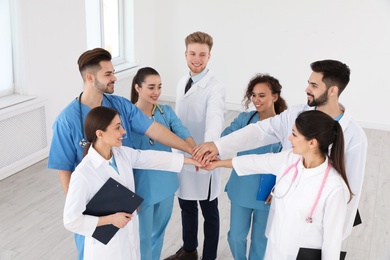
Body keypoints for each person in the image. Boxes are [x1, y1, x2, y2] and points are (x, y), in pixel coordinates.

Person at [193, 59, 368, 240]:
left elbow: (350, 190)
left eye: (314, 85)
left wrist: (336, 236)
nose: (307, 89)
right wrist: (217, 145)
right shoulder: (296, 114)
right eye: (308, 83)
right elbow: (260, 131)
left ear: (333, 91)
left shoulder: (355, 136)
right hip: (282, 215)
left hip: (315, 226)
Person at [48, 48, 195, 260]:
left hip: (124, 199)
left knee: (132, 248)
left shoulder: (119, 105)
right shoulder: (66, 121)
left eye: (113, 72)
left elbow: (153, 131)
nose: (114, 78)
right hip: (94, 207)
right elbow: (64, 170)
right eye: (108, 74)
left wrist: (191, 151)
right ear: (90, 77)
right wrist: (84, 212)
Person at [203, 110, 353, 260]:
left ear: (312, 142)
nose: (289, 138)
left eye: (294, 134)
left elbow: (332, 244)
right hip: (275, 251)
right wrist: (219, 163)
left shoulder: (334, 188)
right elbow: (256, 162)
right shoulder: (290, 159)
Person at [63, 106, 201, 260]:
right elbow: (71, 221)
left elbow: (152, 159)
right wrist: (111, 219)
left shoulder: (122, 154)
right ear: (100, 134)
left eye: (121, 125)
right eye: (117, 127)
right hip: (105, 250)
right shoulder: (83, 174)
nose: (123, 131)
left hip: (128, 239)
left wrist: (190, 160)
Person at [164, 31, 226, 260]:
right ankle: (189, 249)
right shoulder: (182, 81)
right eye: (192, 53)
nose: (196, 58)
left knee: (209, 211)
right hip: (183, 155)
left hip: (204, 158)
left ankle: (209, 256)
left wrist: (209, 146)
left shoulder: (216, 87)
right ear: (185, 54)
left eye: (202, 54)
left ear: (209, 56)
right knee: (186, 206)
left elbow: (215, 118)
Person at [130, 67, 196, 260]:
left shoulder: (165, 112)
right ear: (137, 88)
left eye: (159, 87)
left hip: (166, 183)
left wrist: (195, 151)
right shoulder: (127, 117)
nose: (156, 92)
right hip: (141, 187)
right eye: (151, 87)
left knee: (158, 233)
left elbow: (182, 131)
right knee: (142, 237)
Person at [222, 74, 287, 260]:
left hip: (268, 192)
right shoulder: (244, 119)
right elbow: (224, 139)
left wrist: (277, 189)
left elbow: (290, 161)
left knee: (261, 240)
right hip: (242, 187)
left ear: (274, 97)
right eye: (254, 95)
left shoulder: (285, 125)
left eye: (262, 95)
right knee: (235, 237)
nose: (256, 100)